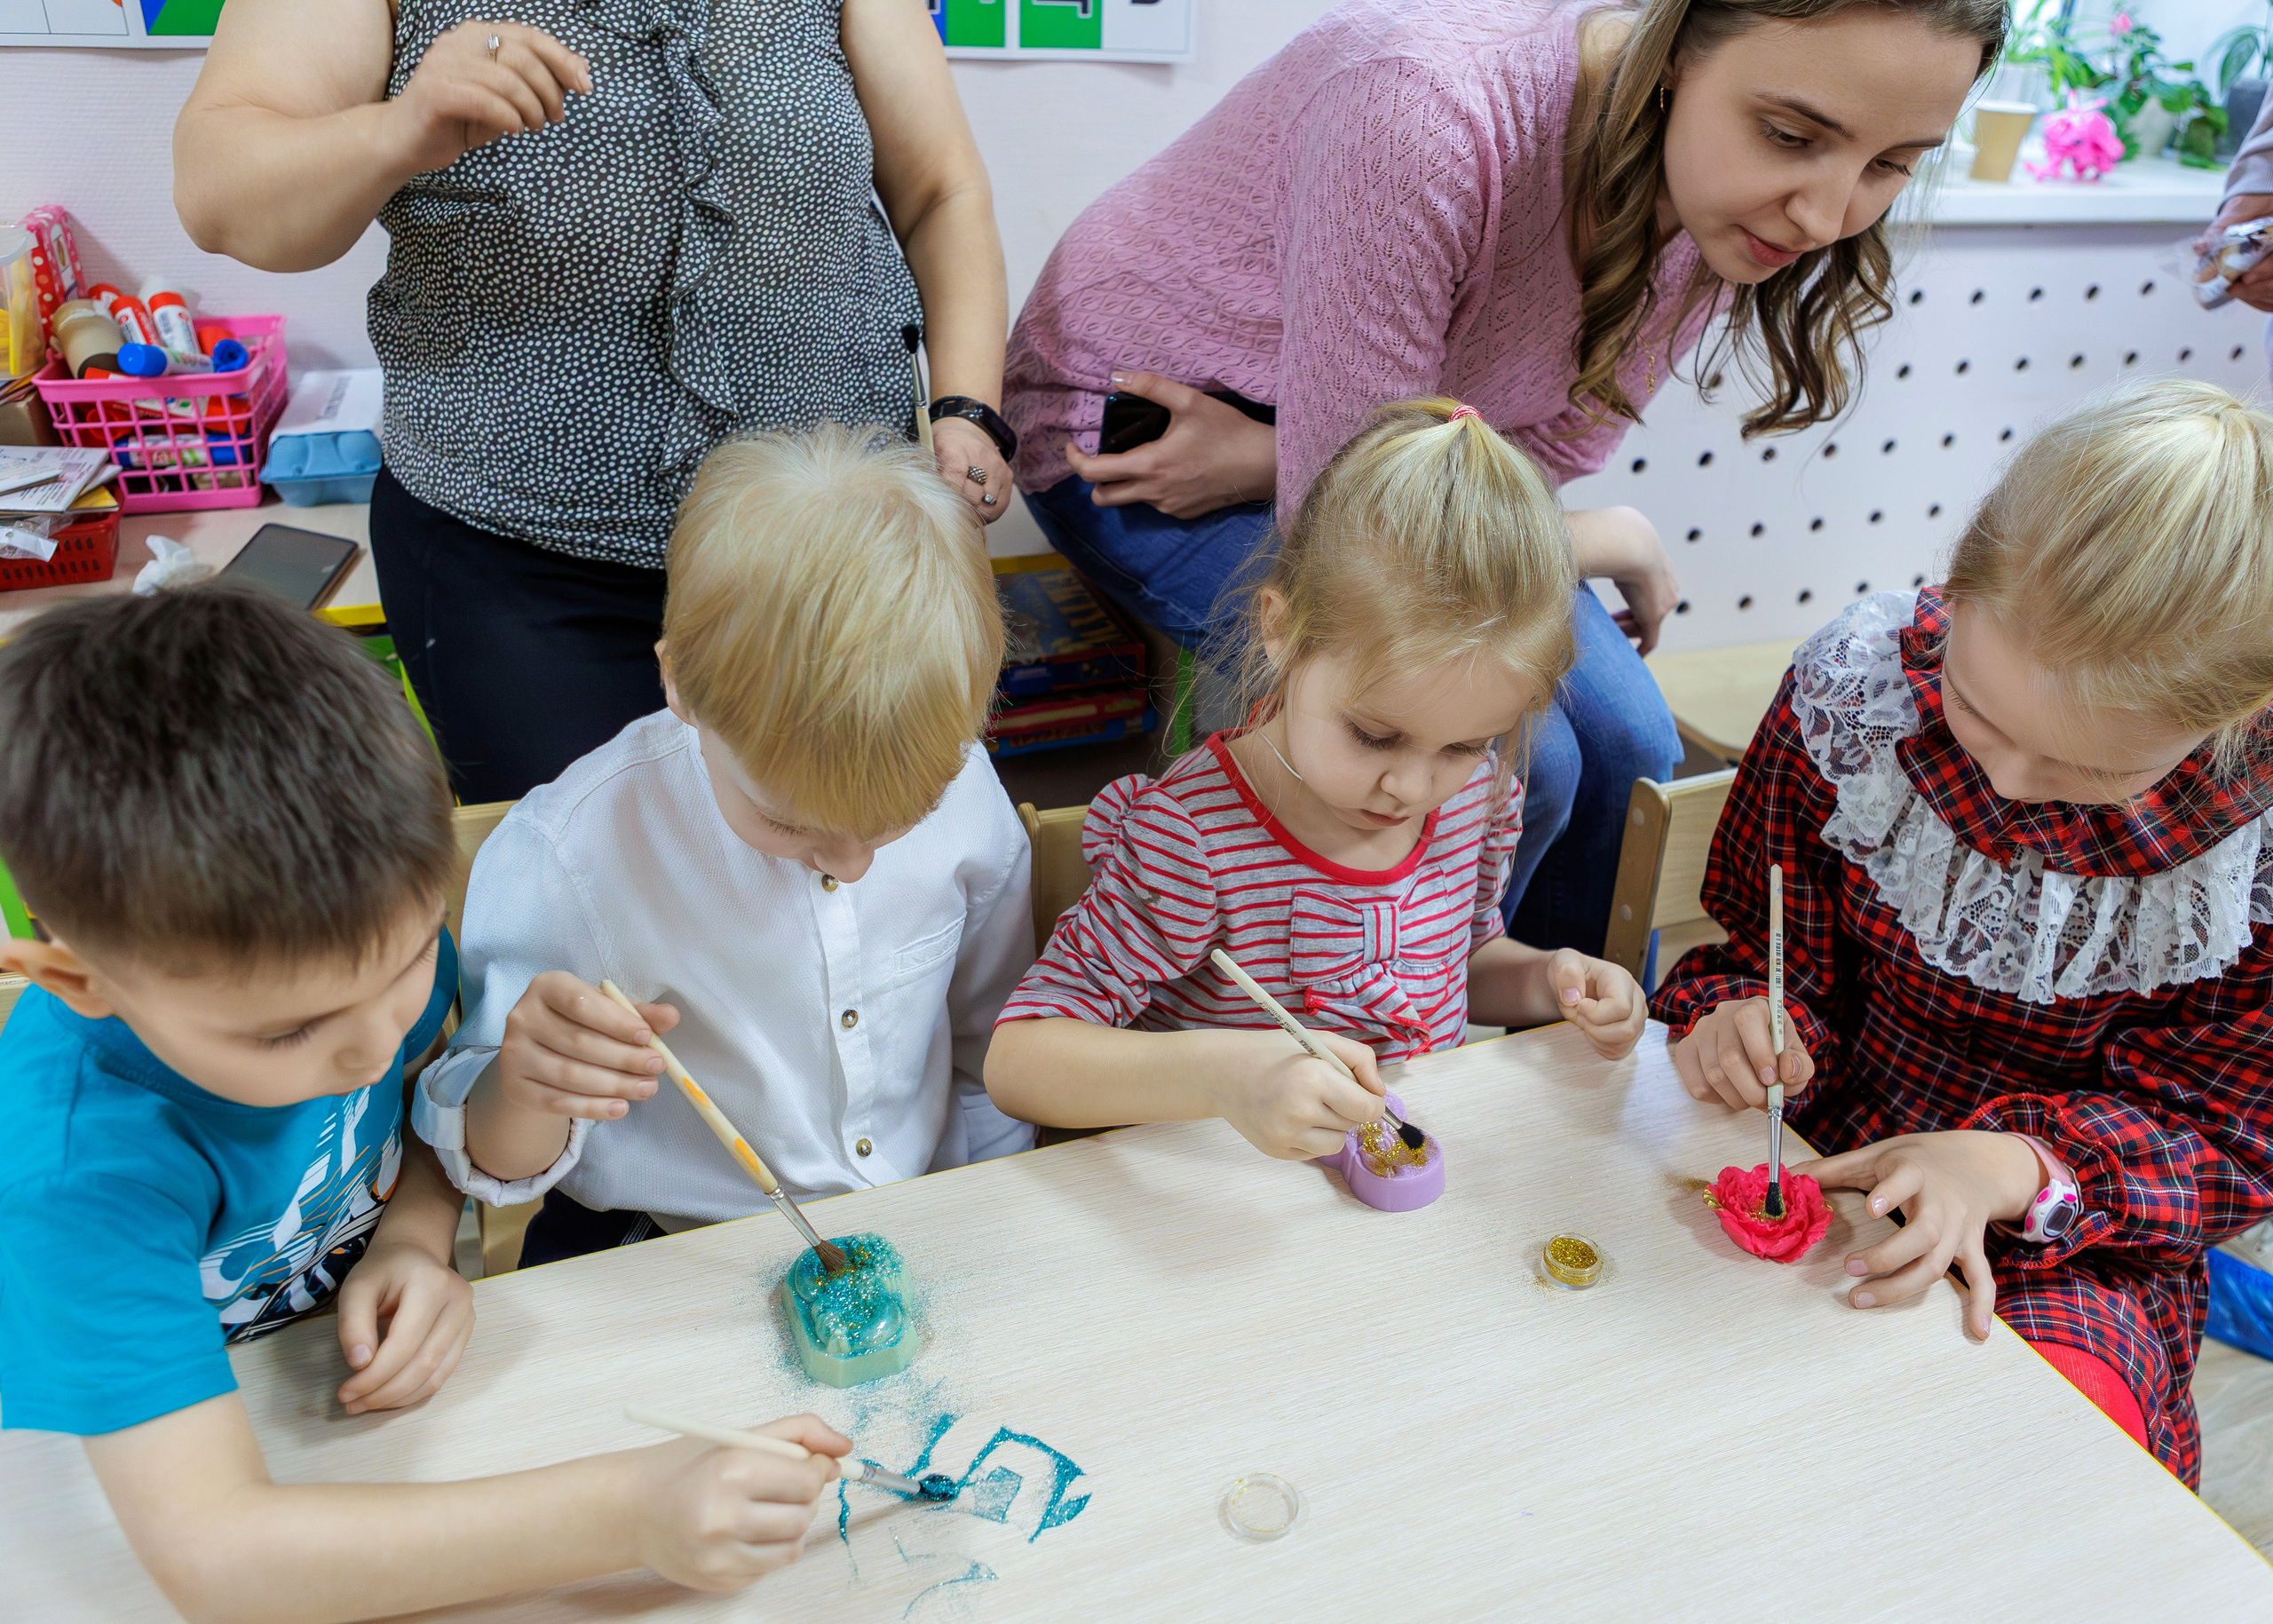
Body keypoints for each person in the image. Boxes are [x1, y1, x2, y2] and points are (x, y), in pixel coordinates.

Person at [1003, 0, 2002, 955]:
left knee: (1630, 739)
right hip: (1142, 436)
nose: (1827, 215)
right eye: (1789, 135)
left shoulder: (1731, 211)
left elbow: (1552, 447)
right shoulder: (1421, 108)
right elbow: (1365, 541)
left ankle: (1563, 1056)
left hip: (1377, 460)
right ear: (1675, 51)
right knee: (1532, 760)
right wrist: (1600, 536)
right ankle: (1419, 1046)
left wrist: (1280, 454)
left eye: (1890, 166)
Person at [0, 585, 848, 1621]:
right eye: (286, 1033)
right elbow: (218, 1557)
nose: (367, 1043)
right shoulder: (73, 1167)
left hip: (339, 1411)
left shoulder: (354, 943)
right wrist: (628, 1512)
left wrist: (412, 1232)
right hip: (122, 1470)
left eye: (407, 963)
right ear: (78, 979)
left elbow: (411, 1105)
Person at [1654, 381, 2273, 1487]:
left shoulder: (2251, 856)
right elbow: (1758, 942)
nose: (2004, 781)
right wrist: (1748, 1020)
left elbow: (2230, 1140)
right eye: (1974, 711)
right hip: (1813, 1139)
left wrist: (2012, 1163)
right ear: (1962, 585)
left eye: (2086, 772)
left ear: (2229, 720)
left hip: (2067, 1230)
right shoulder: (1864, 696)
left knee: (2017, 1469)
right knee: (1682, 1411)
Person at [175, 0, 1017, 804]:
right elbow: (220, 192)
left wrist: (967, 408)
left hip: (826, 541)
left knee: (849, 867)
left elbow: (943, 190)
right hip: (522, 563)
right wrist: (396, 133)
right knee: (597, 911)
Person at [416, 424, 1034, 1263]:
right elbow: (491, 1161)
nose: (852, 865)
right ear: (678, 682)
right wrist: (526, 1088)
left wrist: (991, 1216)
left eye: (904, 817)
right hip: (665, 1252)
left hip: (931, 1216)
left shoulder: (966, 786)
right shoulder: (568, 857)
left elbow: (992, 1043)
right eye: (789, 822)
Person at [986, 401, 1647, 1155]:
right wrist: (1224, 1076)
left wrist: (1549, 979)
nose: (1411, 786)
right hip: (1227, 1220)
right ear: (1280, 629)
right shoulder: (1194, 840)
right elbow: (1019, 1059)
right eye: (1375, 735)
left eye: (1465, 744)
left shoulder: (1477, 798)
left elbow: (1458, 961)